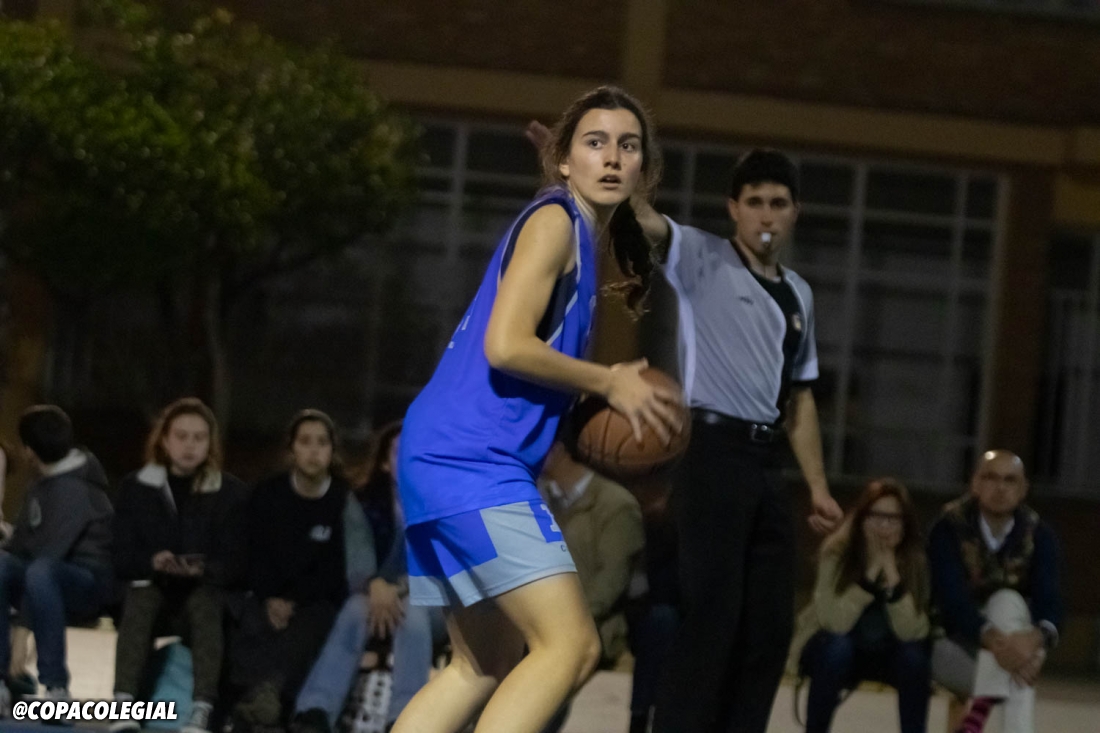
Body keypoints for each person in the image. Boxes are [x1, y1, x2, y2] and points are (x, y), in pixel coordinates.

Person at [392, 85, 682, 733]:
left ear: (643, 167)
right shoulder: (555, 224)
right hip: (470, 462)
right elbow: (505, 344)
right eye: (595, 143)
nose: (612, 157)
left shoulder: (573, 230)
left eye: (627, 145)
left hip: (442, 456)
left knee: (482, 664)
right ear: (565, 161)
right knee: (570, 645)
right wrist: (608, 382)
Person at [634, 148, 844, 733]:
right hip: (710, 452)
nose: (766, 214)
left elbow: (799, 401)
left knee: (770, 629)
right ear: (733, 208)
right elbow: (640, 217)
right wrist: (580, 169)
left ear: (795, 212)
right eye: (754, 202)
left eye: (778, 203)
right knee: (712, 617)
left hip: (766, 462)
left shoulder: (799, 293)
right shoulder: (703, 257)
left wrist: (819, 488)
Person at [290, 420, 445, 733]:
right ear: (386, 463)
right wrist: (374, 584)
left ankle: (406, 718)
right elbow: (358, 560)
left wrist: (395, 589)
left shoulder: (444, 506)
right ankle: (316, 710)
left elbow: (440, 568)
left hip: (432, 599)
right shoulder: (362, 503)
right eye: (399, 452)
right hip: (372, 596)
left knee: (412, 613)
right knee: (353, 610)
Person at [111, 397, 250, 733]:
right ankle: (123, 704)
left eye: (198, 438)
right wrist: (152, 562)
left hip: (204, 593)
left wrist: (202, 569)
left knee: (206, 603)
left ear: (210, 443)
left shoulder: (230, 493)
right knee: (141, 597)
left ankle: (201, 709)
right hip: (153, 587)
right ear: (164, 440)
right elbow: (120, 555)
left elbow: (238, 560)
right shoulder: (136, 487)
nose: (190, 445)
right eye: (182, 436)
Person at [231, 410, 352, 730]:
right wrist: (270, 596)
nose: (314, 451)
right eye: (305, 442)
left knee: (313, 624)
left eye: (322, 443)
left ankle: (271, 695)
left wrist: (294, 600)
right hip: (267, 594)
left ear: (332, 450)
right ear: (292, 449)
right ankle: (248, 699)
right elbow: (254, 551)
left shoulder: (343, 499)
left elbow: (337, 568)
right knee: (250, 620)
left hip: (317, 599)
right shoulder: (267, 494)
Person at [928, 450, 1063, 733]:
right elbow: (951, 601)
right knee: (1018, 667)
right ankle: (980, 719)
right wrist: (1004, 645)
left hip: (1012, 642)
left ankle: (974, 723)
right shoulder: (948, 528)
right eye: (991, 478)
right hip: (953, 646)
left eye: (1010, 480)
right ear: (975, 484)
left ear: (1023, 489)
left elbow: (1050, 600)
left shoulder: (1039, 534)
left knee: (1007, 600)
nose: (1000, 488)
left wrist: (1034, 639)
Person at [788, 478, 931, 733]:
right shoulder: (836, 554)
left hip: (886, 651)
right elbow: (834, 623)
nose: (884, 526)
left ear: (905, 524)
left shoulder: (915, 562)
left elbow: (913, 632)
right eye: (877, 516)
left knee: (914, 658)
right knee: (837, 648)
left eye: (893, 519)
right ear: (861, 519)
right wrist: (870, 575)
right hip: (834, 647)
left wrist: (891, 574)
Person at [0, 405, 113, 712]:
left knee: (41, 572)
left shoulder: (77, 489)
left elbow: (48, 556)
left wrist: (22, 631)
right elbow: (21, 546)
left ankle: (55, 685)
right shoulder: (40, 484)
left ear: (29, 451)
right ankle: (3, 679)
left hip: (88, 584)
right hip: (45, 575)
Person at [537, 441, 645, 733]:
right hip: (538, 624)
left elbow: (611, 582)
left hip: (592, 629)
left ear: (558, 448)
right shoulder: (538, 498)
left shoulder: (615, 504)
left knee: (555, 668)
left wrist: (560, 620)